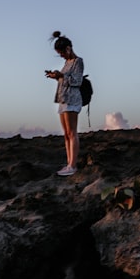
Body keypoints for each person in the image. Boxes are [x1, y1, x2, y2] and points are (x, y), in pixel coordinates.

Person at [45, 30, 84, 176]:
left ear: (68, 49)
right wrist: (56, 76)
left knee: (72, 133)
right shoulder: (67, 63)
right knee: (66, 134)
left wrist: (62, 75)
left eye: (61, 52)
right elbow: (65, 79)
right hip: (62, 99)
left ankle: (72, 165)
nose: (61, 56)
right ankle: (69, 163)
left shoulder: (77, 61)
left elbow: (77, 81)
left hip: (72, 99)